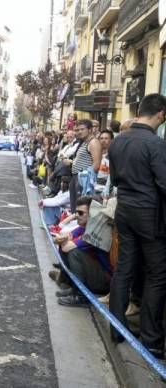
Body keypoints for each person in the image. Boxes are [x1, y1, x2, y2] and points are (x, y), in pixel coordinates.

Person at [108, 93, 166, 359]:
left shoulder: (119, 141)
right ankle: (151, 340)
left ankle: (116, 327)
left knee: (124, 269)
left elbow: (117, 178)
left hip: (124, 210)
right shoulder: (156, 144)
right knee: (157, 273)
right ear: (161, 115)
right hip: (148, 214)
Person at [51, 196, 112, 307]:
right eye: (76, 212)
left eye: (80, 213)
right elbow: (63, 237)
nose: (77, 216)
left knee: (74, 252)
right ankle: (74, 288)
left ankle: (81, 296)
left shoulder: (96, 233)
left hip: (106, 281)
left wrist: (63, 240)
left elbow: (67, 246)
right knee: (67, 248)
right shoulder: (85, 227)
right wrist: (63, 239)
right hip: (98, 275)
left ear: (92, 214)